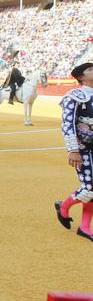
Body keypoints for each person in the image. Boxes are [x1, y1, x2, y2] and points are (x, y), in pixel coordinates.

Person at [54, 62, 93, 242]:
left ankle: (84, 227)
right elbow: (68, 123)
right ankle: (64, 206)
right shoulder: (75, 96)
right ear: (80, 77)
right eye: (90, 69)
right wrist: (73, 150)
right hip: (83, 149)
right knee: (90, 189)